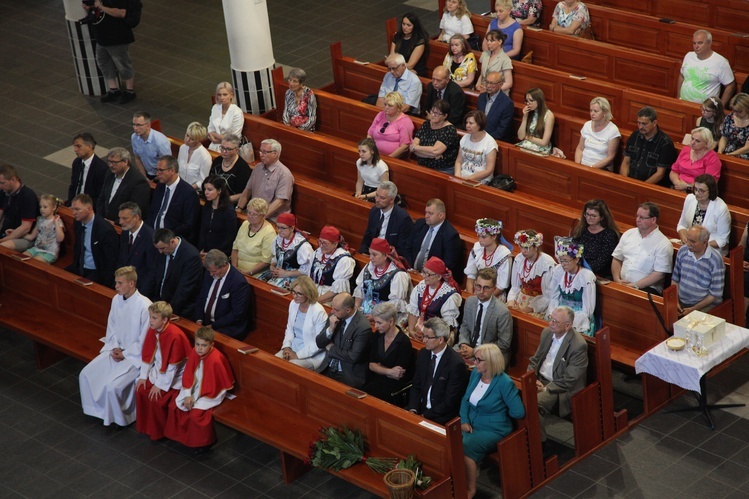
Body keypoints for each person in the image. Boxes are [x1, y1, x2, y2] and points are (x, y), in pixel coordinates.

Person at [79, 266, 151, 427]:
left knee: (112, 387)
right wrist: (114, 347)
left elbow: (145, 339)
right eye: (116, 282)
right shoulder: (116, 299)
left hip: (134, 356)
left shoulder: (144, 306)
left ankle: (120, 418)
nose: (116, 286)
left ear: (131, 283)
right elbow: (111, 327)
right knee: (86, 374)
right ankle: (95, 411)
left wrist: (126, 354)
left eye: (120, 283)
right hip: (115, 349)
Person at [461, 343, 524, 499]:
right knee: (448, 438)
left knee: (464, 446)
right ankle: (459, 481)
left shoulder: (504, 382)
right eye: (475, 359)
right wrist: (464, 419)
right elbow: (465, 399)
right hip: (472, 424)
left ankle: (470, 489)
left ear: (490, 362)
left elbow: (518, 412)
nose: (474, 362)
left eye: (478, 360)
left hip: (494, 429)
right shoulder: (476, 374)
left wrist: (496, 413)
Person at [163, 326, 235, 455]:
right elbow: (189, 374)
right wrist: (187, 395)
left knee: (196, 416)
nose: (199, 348)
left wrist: (194, 397)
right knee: (175, 405)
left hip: (212, 392)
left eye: (203, 345)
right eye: (197, 344)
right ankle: (182, 438)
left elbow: (214, 384)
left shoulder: (215, 359)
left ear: (211, 344)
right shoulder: (194, 352)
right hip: (196, 387)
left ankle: (205, 443)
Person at [527, 306, 588, 444]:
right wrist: (531, 378)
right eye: (551, 318)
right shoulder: (547, 333)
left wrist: (545, 389)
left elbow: (569, 379)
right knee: (512, 395)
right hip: (540, 380)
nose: (551, 323)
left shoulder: (578, 345)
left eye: (555, 321)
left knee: (533, 403)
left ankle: (539, 445)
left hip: (559, 388)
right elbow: (535, 360)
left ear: (567, 326)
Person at [135, 301, 192, 441]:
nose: (150, 321)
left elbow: (173, 367)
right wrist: (143, 376)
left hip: (174, 377)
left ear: (165, 319)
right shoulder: (153, 329)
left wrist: (159, 385)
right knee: (140, 389)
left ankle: (158, 433)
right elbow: (148, 354)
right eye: (150, 316)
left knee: (156, 399)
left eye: (154, 318)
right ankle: (145, 428)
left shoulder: (174, 335)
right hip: (159, 370)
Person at [407, 317, 469, 425]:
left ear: (440, 339)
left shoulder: (456, 364)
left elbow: (449, 402)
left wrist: (424, 416)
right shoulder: (423, 354)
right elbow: (416, 385)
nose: (423, 340)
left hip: (441, 415)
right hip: (420, 408)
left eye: (428, 337)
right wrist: (413, 409)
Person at [611, 202, 673, 294]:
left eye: (642, 217)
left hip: (647, 289)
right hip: (621, 284)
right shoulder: (629, 234)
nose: (638, 220)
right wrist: (617, 279)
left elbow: (659, 274)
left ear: (653, 220)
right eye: (637, 216)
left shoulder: (663, 244)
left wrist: (635, 285)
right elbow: (617, 258)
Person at [83, 0, 138, 104]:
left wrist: (101, 7)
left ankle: (129, 91)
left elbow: (121, 13)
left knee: (123, 64)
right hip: (102, 38)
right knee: (103, 62)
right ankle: (114, 90)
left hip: (117, 38)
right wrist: (91, 8)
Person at [315, 292, 373, 389]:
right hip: (327, 367)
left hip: (347, 374)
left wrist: (332, 348)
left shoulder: (363, 327)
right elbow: (319, 343)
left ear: (348, 310)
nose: (332, 311)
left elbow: (353, 356)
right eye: (332, 308)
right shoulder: (334, 316)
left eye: (336, 309)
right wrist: (330, 329)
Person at [458, 268, 514, 366]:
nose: (481, 291)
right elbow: (465, 327)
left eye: (486, 288)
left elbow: (504, 343)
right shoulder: (470, 302)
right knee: (447, 359)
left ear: (494, 288)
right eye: (478, 286)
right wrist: (464, 344)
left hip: (491, 355)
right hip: (469, 348)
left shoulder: (502, 312)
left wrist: (476, 351)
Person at [362, 302, 414, 405]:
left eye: (379, 323)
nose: (376, 326)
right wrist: (388, 371)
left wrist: (380, 368)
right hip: (376, 380)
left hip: (394, 388)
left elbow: (397, 375)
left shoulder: (403, 342)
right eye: (375, 322)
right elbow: (372, 365)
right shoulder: (378, 335)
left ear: (391, 322)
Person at [195, 250, 252, 340]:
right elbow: (201, 297)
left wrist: (212, 326)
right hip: (206, 323)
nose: (211, 274)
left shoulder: (238, 282)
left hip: (226, 327)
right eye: (209, 271)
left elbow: (236, 314)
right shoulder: (210, 273)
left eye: (214, 271)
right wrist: (199, 320)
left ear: (224, 265)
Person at [276, 276, 328, 372]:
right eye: (293, 292)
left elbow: (319, 343)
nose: (295, 296)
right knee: (275, 361)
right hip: (293, 347)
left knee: (290, 368)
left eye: (299, 294)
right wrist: (287, 347)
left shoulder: (318, 311)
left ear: (308, 294)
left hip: (311, 355)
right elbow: (290, 329)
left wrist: (298, 355)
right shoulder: (293, 304)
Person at [65, 194, 118, 287]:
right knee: (60, 277)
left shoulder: (105, 230)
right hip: (79, 266)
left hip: (96, 271)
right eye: (72, 209)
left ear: (89, 209)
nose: (73, 213)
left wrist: (106, 284)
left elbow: (111, 262)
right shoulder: (77, 222)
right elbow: (78, 247)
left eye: (77, 209)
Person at [353, 237, 411, 322]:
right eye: (370, 254)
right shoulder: (369, 267)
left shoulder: (398, 275)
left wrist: (376, 317)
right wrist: (356, 308)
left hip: (385, 317)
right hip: (365, 311)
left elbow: (395, 304)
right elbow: (360, 289)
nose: (370, 258)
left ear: (385, 256)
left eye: (374, 255)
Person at [548, 237, 596, 336]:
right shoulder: (558, 271)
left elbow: (588, 309)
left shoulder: (586, 276)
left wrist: (571, 322)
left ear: (577, 259)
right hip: (560, 311)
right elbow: (554, 297)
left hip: (578, 315)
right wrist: (553, 315)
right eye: (561, 261)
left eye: (566, 261)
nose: (563, 264)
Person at [672, 226, 725, 316]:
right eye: (688, 240)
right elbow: (675, 280)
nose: (688, 244)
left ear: (704, 242)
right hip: (681, 302)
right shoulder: (683, 251)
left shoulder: (715, 259)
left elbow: (715, 294)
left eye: (692, 241)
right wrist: (675, 302)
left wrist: (693, 309)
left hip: (705, 306)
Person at [236, 139, 294, 220]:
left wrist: (260, 218)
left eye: (265, 152)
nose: (261, 155)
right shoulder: (258, 167)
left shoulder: (284, 174)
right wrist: (239, 208)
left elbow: (279, 202)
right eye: (260, 151)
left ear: (275, 154)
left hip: (271, 218)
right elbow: (248, 189)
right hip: (253, 214)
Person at [152, 228, 203, 320]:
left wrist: (168, 311)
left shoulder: (191, 256)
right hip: (160, 304)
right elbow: (155, 275)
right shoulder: (163, 252)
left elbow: (184, 290)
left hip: (180, 310)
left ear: (172, 242)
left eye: (162, 248)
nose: (160, 252)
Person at [147, 155, 201, 242]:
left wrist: (166, 235)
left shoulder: (188, 193)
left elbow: (188, 224)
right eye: (157, 170)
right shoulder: (160, 186)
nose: (157, 174)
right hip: (153, 234)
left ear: (172, 170)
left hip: (171, 239)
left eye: (161, 170)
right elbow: (153, 211)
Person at [407, 256, 462, 340]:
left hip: (436, 335)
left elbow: (446, 326)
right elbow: (413, 310)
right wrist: (411, 330)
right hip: (419, 326)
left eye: (428, 274)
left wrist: (426, 335)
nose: (423, 276)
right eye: (423, 272)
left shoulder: (449, 296)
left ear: (439, 277)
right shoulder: (421, 286)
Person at [619, 107, 677, 185]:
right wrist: (625, 181)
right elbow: (626, 162)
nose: (640, 127)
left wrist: (642, 187)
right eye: (638, 123)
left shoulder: (665, 143)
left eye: (644, 124)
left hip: (650, 186)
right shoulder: (635, 135)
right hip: (630, 180)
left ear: (654, 123)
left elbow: (660, 173)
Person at [676, 174, 731, 256]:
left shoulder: (721, 208)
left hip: (711, 250)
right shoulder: (690, 199)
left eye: (701, 190)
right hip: (689, 246)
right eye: (695, 189)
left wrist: (699, 246)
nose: (697, 193)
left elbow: (723, 240)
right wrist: (685, 239)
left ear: (711, 191)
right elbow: (682, 225)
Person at [677, 30, 736, 106]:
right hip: (683, 103)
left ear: (709, 43)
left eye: (700, 43)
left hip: (706, 110)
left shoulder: (720, 62)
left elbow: (730, 85)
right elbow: (682, 76)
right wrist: (678, 98)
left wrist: (720, 107)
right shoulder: (689, 56)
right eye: (694, 43)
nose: (696, 46)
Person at [256, 212, 314, 290]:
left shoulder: (302, 246)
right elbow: (275, 258)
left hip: (294, 277)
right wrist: (272, 265)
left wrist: (287, 273)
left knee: (275, 290)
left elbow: (307, 270)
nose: (279, 230)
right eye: (278, 227)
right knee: (259, 284)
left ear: (292, 228)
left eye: (283, 228)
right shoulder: (278, 239)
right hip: (279, 273)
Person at [359, 181, 413, 260]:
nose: (377, 200)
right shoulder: (374, 211)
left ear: (391, 200)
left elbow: (402, 249)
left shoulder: (403, 219)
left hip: (388, 258)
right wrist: (363, 252)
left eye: (382, 198)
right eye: (377, 195)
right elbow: (368, 235)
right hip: (372, 253)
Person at [506, 230, 555, 316]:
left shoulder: (547, 264)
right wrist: (511, 302)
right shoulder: (519, 259)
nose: (523, 251)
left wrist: (525, 310)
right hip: (520, 299)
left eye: (527, 248)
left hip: (538, 304)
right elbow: (515, 287)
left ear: (536, 247)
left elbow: (548, 296)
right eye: (521, 247)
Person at [97, 147, 151, 223]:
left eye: (114, 162)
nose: (111, 165)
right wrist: (101, 217)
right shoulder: (110, 173)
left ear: (125, 162)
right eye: (109, 162)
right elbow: (102, 197)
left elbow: (135, 210)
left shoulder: (138, 181)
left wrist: (116, 223)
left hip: (122, 225)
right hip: (105, 220)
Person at [409, 199, 462, 275]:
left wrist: (427, 275)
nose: (426, 216)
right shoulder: (420, 224)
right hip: (411, 271)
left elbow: (448, 265)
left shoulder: (450, 235)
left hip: (432, 277)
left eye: (430, 213)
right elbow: (407, 247)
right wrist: (409, 268)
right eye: (426, 212)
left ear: (441, 215)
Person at [569, 200, 620, 279]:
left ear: (602, 217)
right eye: (587, 214)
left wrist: (580, 270)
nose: (589, 218)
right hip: (578, 269)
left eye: (593, 216)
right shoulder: (582, 229)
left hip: (597, 274)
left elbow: (601, 262)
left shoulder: (609, 235)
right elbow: (573, 250)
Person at [117, 202, 157, 298]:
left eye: (125, 218)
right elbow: (122, 259)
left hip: (140, 290)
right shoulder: (125, 233)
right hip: (125, 287)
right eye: (120, 218)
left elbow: (152, 270)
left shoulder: (150, 237)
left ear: (137, 217)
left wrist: (140, 294)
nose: (120, 222)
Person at [465, 218, 512, 298]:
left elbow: (501, 286)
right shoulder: (477, 248)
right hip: (476, 291)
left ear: (494, 236)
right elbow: (470, 276)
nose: (480, 240)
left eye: (484, 237)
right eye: (479, 236)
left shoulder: (504, 255)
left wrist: (484, 298)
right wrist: (470, 296)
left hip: (494, 294)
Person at [411, 100, 461, 174]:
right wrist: (431, 155)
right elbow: (412, 146)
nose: (433, 115)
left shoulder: (449, 130)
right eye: (432, 112)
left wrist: (416, 148)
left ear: (445, 116)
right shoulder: (426, 124)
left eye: (436, 113)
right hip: (422, 165)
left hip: (442, 170)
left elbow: (435, 151)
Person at [311, 225, 356, 304]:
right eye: (320, 241)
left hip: (330, 300)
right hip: (313, 294)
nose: (321, 246)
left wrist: (315, 301)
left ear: (335, 244)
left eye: (325, 243)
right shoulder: (317, 253)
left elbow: (337, 292)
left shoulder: (344, 260)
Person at [232, 197, 276, 276]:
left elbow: (265, 261)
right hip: (236, 269)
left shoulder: (269, 233)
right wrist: (234, 267)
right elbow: (235, 248)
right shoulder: (245, 224)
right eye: (249, 213)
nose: (250, 216)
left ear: (263, 215)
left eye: (255, 214)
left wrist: (249, 272)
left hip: (254, 274)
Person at [575, 97, 621, 170]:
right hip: (583, 166)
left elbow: (610, 157)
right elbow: (580, 148)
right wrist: (577, 166)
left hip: (601, 169)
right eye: (591, 110)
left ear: (605, 112)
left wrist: (591, 169)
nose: (592, 114)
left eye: (595, 111)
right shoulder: (587, 125)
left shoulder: (613, 130)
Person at [0, 164, 39, 251]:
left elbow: (25, 228)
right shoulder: (3, 192)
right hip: (7, 233)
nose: (0, 186)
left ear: (13, 179)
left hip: (24, 237)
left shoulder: (28, 196)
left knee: (2, 247)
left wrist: (3, 240)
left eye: (2, 183)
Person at [455, 111, 499, 185]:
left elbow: (489, 170)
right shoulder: (465, 138)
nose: (467, 126)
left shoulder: (490, 143)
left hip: (481, 179)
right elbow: (459, 161)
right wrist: (457, 176)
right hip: (463, 175)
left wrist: (467, 179)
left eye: (471, 123)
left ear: (479, 125)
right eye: (466, 122)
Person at [197, 176, 238, 257]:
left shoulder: (228, 211)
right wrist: (201, 248)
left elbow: (230, 237)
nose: (206, 192)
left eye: (210, 190)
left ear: (219, 190)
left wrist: (215, 254)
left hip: (220, 254)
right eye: (205, 189)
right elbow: (203, 229)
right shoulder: (207, 206)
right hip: (204, 251)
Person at [18, 195, 64, 264]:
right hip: (36, 249)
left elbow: (60, 239)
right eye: (40, 207)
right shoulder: (40, 219)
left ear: (54, 207)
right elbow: (31, 236)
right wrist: (18, 234)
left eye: (45, 207)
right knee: (20, 259)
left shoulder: (58, 221)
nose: (42, 209)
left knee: (32, 263)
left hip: (49, 253)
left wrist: (56, 223)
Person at [367, 92, 415, 158]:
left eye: (390, 105)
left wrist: (389, 158)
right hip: (374, 154)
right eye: (385, 104)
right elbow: (370, 134)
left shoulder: (405, 121)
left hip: (393, 158)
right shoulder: (380, 115)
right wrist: (371, 151)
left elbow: (404, 146)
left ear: (398, 107)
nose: (386, 107)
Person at [66, 133, 108, 208]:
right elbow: (73, 186)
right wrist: (70, 203)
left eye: (78, 146)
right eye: (74, 146)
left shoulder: (101, 168)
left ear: (89, 147)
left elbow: (100, 195)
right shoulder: (77, 162)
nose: (75, 150)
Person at [209, 134, 251, 204]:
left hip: (229, 203)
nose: (224, 151)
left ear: (236, 150)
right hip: (213, 199)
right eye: (222, 148)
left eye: (228, 149)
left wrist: (221, 200)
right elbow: (210, 180)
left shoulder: (243, 168)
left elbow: (243, 193)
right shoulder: (217, 161)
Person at [130, 111, 171, 180]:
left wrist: (156, 180)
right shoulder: (134, 137)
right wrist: (144, 177)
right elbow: (137, 158)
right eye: (134, 124)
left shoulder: (161, 142)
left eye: (139, 125)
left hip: (160, 175)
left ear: (148, 125)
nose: (135, 128)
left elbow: (167, 164)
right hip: (145, 172)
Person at [207, 82, 244, 152]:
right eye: (219, 95)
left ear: (231, 95)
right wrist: (214, 138)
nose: (222, 98)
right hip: (213, 145)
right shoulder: (215, 108)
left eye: (225, 95)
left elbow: (235, 138)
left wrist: (216, 137)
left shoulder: (237, 112)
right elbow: (210, 128)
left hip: (229, 149)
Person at [390, 13, 430, 77]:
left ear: (414, 26)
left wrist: (394, 66)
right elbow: (392, 58)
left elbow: (410, 65)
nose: (405, 27)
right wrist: (394, 65)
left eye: (408, 25)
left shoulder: (419, 41)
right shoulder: (397, 36)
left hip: (415, 71)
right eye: (403, 24)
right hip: (400, 69)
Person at [516, 88, 554, 155]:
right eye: (527, 101)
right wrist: (525, 117)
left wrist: (527, 137)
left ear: (539, 100)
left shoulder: (548, 115)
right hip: (527, 145)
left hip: (541, 149)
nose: (528, 103)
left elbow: (544, 142)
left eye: (531, 100)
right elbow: (520, 136)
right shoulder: (529, 112)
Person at [477, 74, 514, 142]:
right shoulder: (481, 97)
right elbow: (477, 119)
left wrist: (485, 139)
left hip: (495, 140)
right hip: (479, 136)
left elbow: (502, 130)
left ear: (501, 84)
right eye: (487, 82)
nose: (488, 86)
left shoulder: (507, 103)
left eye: (492, 83)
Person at [177, 122, 212, 190]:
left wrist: (188, 189)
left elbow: (203, 181)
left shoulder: (205, 156)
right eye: (187, 135)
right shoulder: (182, 148)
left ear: (199, 140)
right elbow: (178, 169)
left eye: (192, 139)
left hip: (192, 190)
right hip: (179, 186)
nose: (187, 140)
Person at [718, 92, 749, 160]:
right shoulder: (730, 117)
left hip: (743, 157)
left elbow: (747, 148)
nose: (736, 114)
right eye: (734, 110)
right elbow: (724, 137)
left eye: (739, 111)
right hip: (728, 152)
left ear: (747, 109)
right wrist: (720, 152)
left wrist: (731, 155)